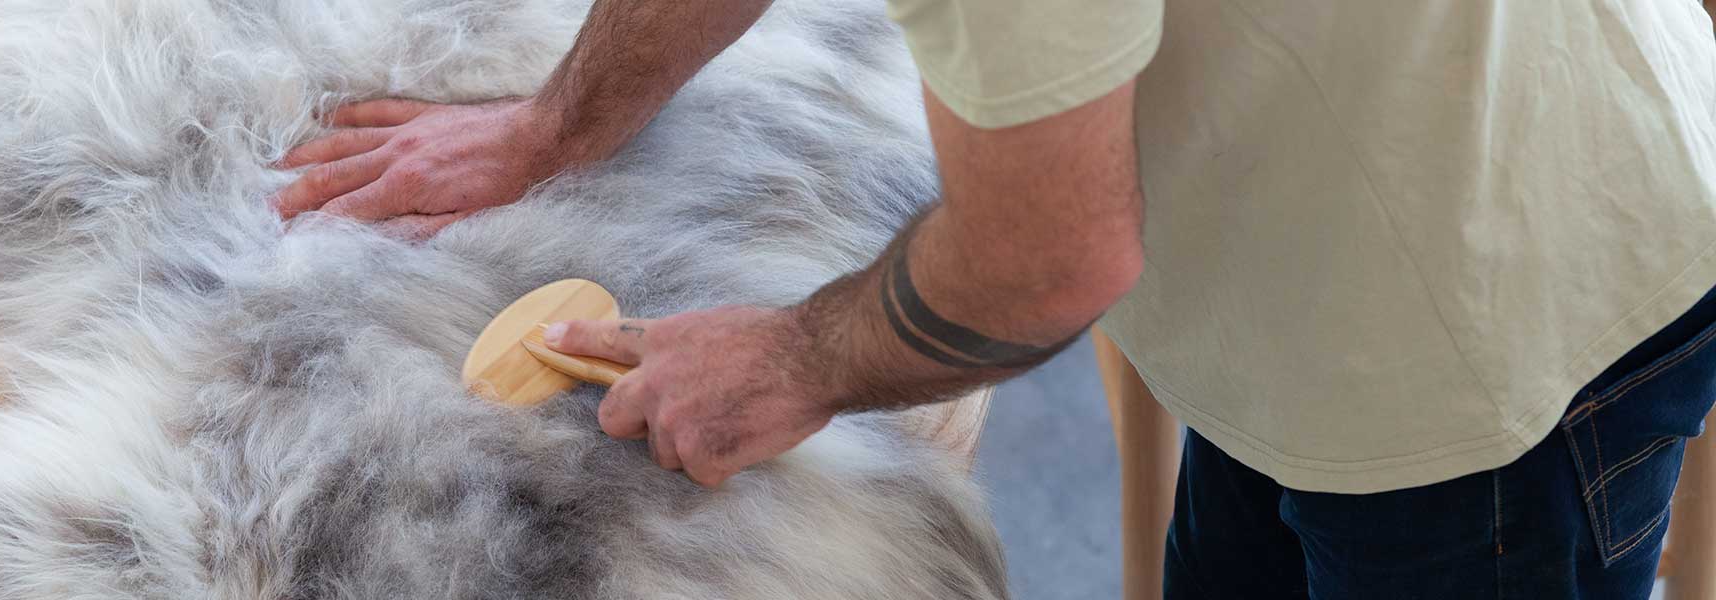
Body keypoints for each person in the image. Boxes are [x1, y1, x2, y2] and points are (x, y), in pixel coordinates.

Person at [275, 1, 1716, 598]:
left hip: (1501, 324)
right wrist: (559, 121)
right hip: (1321, 245)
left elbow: (1046, 260)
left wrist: (795, 355)